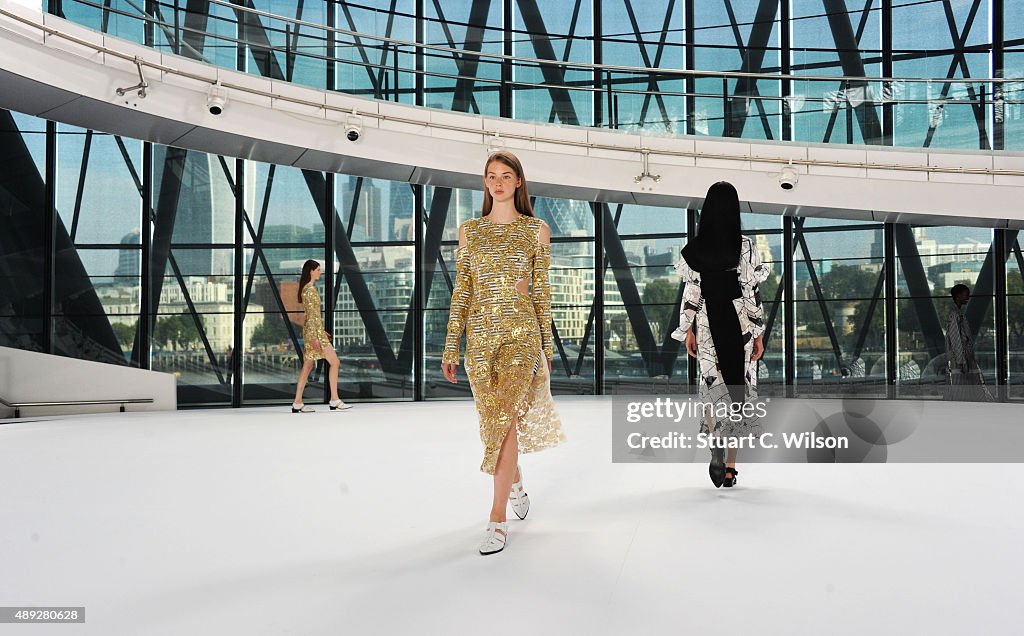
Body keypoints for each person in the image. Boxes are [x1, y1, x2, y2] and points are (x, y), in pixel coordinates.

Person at [441, 151, 564, 555]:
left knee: (506, 418)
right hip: (479, 339)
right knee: (493, 425)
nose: (497, 182)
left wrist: (545, 347)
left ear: (518, 183)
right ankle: (514, 481)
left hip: (520, 334)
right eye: (491, 176)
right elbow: (462, 292)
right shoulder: (469, 231)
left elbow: (542, 295)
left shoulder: (536, 231)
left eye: (505, 175)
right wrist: (451, 345)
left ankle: (496, 520)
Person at [671, 182, 770, 488]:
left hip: (707, 324)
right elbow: (750, 292)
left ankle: (715, 439)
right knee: (738, 392)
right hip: (738, 325)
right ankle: (729, 467)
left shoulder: (695, 249)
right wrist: (758, 333)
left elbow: (692, 292)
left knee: (712, 390)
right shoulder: (745, 247)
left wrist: (688, 329)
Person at [292, 259, 351, 413]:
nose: (320, 272)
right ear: (311, 271)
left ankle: (298, 402)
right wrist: (315, 338)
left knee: (308, 366)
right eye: (318, 269)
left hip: (314, 332)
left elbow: (313, 316)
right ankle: (334, 399)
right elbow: (311, 316)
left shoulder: (306, 289)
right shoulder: (310, 290)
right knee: (335, 362)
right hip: (314, 334)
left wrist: (320, 331)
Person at [945, 284, 992, 401]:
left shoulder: (958, 314)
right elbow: (955, 338)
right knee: (962, 388)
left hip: (964, 358)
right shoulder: (954, 315)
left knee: (967, 387)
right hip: (960, 360)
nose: (968, 297)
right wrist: (961, 361)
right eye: (965, 294)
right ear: (958, 296)